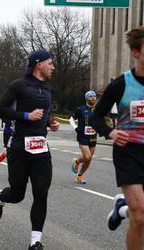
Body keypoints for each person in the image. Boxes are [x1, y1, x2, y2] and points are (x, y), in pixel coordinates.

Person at [0, 49, 59, 250]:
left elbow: (44, 116)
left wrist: (49, 124)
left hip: (41, 148)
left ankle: (35, 241)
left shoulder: (48, 90)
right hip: (19, 147)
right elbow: (0, 110)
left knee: (41, 192)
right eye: (50, 63)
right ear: (39, 64)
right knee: (18, 194)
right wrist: (27, 116)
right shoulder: (19, 85)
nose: (53, 67)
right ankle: (1, 197)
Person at [90, 27, 144, 250]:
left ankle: (122, 208)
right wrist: (110, 132)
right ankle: (127, 208)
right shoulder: (121, 84)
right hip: (128, 152)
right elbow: (95, 118)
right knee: (140, 217)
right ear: (136, 52)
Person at [69, 90, 97, 184]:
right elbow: (71, 119)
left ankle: (80, 175)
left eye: (94, 96)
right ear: (86, 98)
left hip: (93, 137)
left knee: (88, 159)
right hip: (83, 136)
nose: (93, 98)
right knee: (87, 157)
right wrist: (76, 128)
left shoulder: (97, 110)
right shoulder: (81, 109)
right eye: (91, 96)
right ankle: (76, 161)